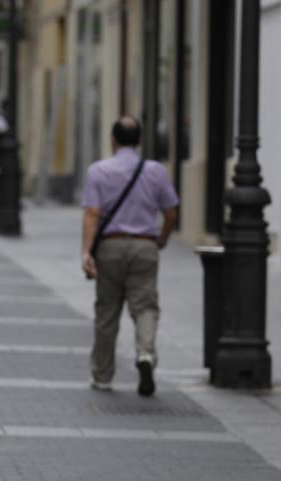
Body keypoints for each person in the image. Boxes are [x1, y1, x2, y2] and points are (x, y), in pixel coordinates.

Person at [80, 116, 179, 396]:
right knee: (145, 305)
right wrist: (161, 239)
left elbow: (92, 214)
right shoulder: (156, 171)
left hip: (110, 246)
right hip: (144, 245)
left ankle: (102, 375)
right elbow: (171, 212)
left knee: (107, 312)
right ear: (140, 141)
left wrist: (87, 252)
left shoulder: (98, 171)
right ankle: (146, 353)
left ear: (113, 140)